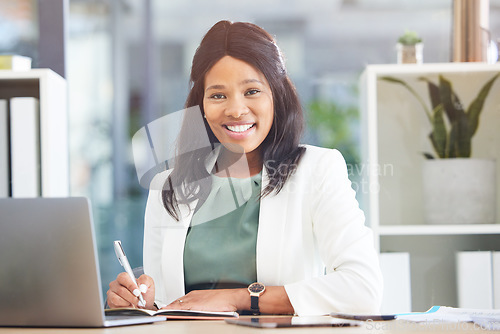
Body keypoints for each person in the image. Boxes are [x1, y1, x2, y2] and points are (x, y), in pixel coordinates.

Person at [107, 20, 383, 316]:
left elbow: (363, 288)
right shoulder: (169, 185)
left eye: (251, 91)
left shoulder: (317, 170)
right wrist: (141, 303)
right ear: (200, 105)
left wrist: (242, 298)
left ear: (277, 95)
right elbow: (166, 303)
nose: (236, 110)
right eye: (217, 95)